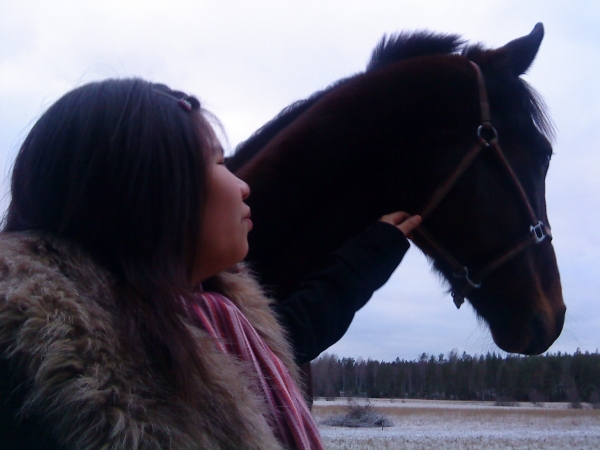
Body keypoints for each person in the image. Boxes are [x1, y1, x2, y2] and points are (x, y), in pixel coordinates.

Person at [0, 78, 420, 449]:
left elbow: (297, 329)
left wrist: (372, 253)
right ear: (150, 192)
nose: (242, 185)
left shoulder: (208, 319)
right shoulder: (27, 388)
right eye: (219, 163)